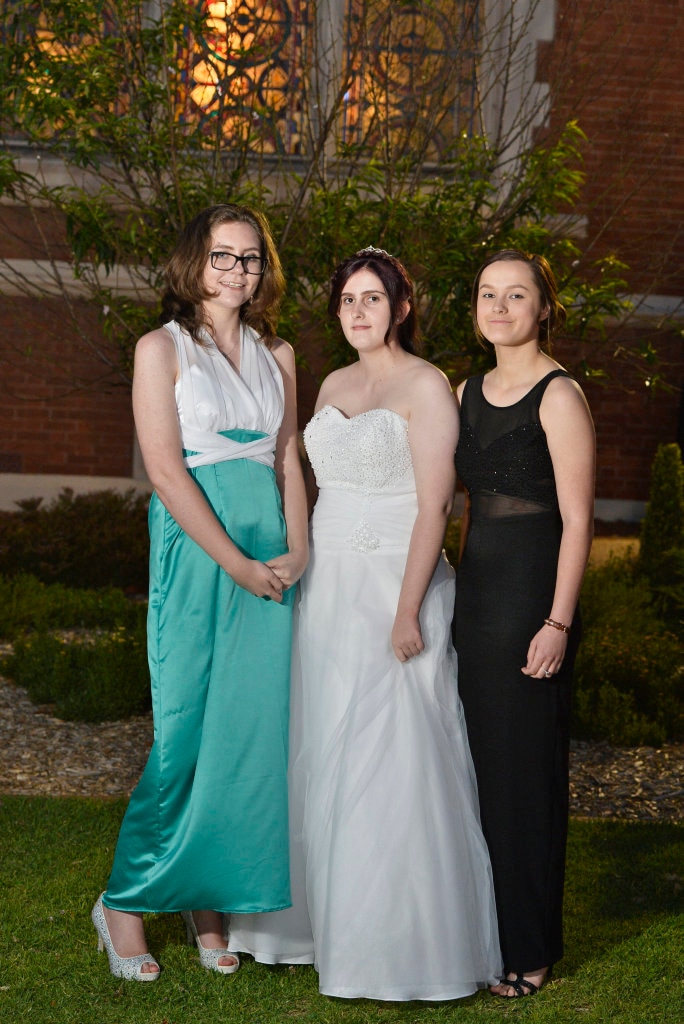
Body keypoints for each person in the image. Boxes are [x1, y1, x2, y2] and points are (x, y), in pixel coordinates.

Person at [228, 247, 502, 1001]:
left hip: (395, 582)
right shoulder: (333, 383)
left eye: (372, 299)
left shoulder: (426, 385)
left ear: (400, 307)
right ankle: (314, 925)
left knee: (394, 755)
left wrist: (410, 608)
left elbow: (436, 505)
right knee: (323, 742)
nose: (357, 312)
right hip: (330, 586)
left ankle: (398, 944)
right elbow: (310, 483)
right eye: (347, 300)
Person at [91, 203, 308, 981]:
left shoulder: (279, 352)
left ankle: (208, 903)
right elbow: (165, 470)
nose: (238, 271)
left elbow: (288, 458)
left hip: (270, 545)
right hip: (198, 546)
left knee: (246, 737)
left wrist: (298, 545)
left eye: (251, 259)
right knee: (185, 729)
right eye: (224, 257)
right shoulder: (162, 347)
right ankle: (123, 903)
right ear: (195, 262)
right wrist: (237, 563)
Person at [453, 249, 595, 998]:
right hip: (473, 608)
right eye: (488, 294)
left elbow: (578, 522)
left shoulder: (559, 395)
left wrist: (558, 623)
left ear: (544, 308)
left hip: (532, 611)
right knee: (476, 778)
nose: (500, 307)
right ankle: (486, 934)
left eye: (517, 296)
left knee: (524, 783)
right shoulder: (464, 389)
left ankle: (532, 949)